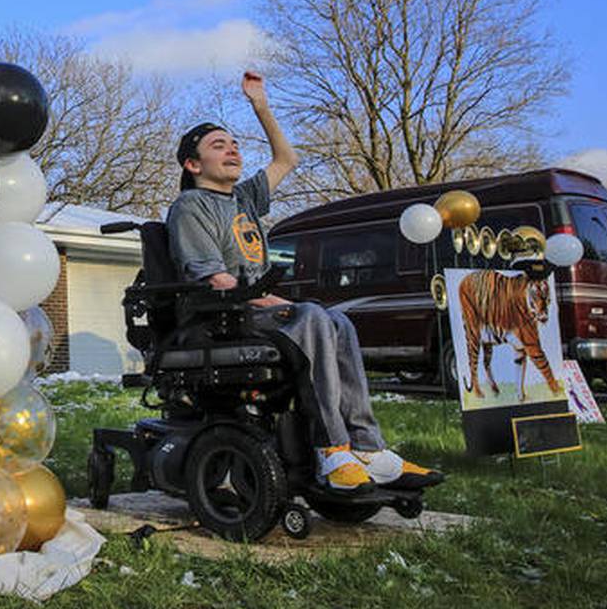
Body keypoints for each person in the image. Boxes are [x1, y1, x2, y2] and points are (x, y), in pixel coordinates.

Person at [167, 71, 442, 492]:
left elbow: (285, 160)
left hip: (252, 309)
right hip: (218, 317)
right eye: (218, 146)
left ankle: (368, 448)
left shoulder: (244, 198)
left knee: (339, 321)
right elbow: (214, 278)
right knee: (313, 317)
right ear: (193, 164)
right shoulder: (191, 206)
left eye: (235, 144)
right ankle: (332, 452)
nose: (233, 151)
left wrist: (260, 105)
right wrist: (272, 304)